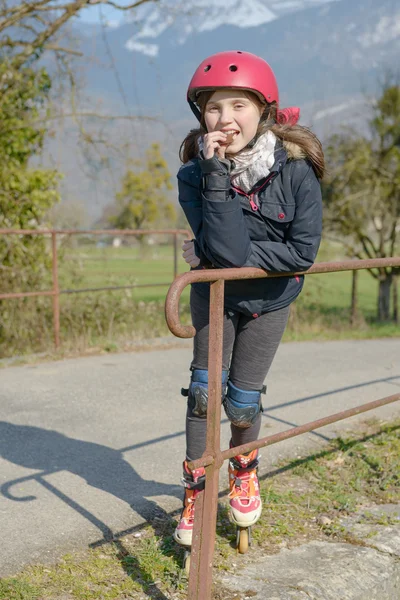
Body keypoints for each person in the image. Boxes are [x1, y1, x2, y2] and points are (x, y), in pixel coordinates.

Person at [173, 50, 324, 549]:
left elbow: (300, 251)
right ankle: (196, 488)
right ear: (203, 115)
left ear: (263, 110)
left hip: (270, 300)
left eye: (239, 105)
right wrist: (215, 174)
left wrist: (221, 253)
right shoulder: (195, 174)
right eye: (215, 107)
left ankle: (243, 469)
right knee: (202, 393)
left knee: (240, 402)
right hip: (213, 296)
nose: (226, 118)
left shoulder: (296, 171)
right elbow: (224, 252)